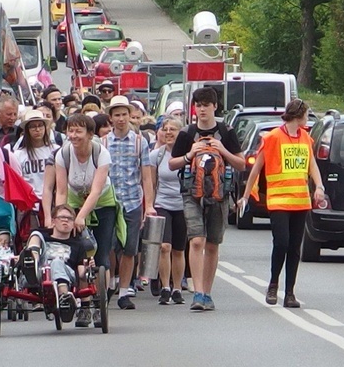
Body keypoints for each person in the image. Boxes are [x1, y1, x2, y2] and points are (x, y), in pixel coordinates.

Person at [239, 99, 325, 308]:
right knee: (282, 243)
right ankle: (273, 284)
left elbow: (311, 163)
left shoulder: (305, 137)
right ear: (298, 116)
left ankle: (289, 293)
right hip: (278, 200)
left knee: (295, 248)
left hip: (300, 201)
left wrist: (320, 187)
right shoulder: (273, 138)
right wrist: (246, 194)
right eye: (306, 115)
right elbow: (257, 167)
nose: (307, 119)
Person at [168, 87, 245, 311]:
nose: (202, 109)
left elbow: (241, 164)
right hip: (192, 192)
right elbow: (172, 164)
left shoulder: (226, 132)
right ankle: (198, 293)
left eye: (206, 105)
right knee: (196, 240)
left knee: (212, 244)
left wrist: (222, 150)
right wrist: (190, 154)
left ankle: (207, 293)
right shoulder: (187, 133)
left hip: (219, 193)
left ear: (215, 107)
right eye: (198, 105)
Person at [55, 114, 119, 328]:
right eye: (70, 131)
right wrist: (62, 216)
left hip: (102, 204)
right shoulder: (63, 153)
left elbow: (96, 190)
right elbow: (61, 190)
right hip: (74, 200)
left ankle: (101, 303)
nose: (73, 136)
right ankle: (84, 304)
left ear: (90, 135)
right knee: (78, 254)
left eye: (78, 131)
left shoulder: (101, 153)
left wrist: (82, 216)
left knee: (100, 255)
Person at [104, 95, 155, 310]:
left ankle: (124, 291)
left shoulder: (139, 141)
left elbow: (146, 176)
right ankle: (109, 284)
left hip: (132, 200)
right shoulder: (103, 142)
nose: (122, 119)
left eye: (124, 114)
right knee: (108, 247)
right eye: (117, 115)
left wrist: (149, 205)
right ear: (111, 118)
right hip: (108, 201)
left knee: (129, 249)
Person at [21, 205, 90, 323]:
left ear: (73, 224)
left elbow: (81, 274)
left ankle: (64, 297)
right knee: (36, 234)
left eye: (69, 218)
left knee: (57, 261)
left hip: (66, 273)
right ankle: (32, 263)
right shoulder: (44, 236)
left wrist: (87, 269)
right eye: (62, 217)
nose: (65, 220)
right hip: (40, 272)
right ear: (53, 221)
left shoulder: (78, 245)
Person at [148, 117, 186, 305]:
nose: (168, 133)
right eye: (165, 129)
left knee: (178, 250)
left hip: (183, 205)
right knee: (164, 247)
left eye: (173, 129)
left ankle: (177, 287)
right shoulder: (157, 155)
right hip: (162, 204)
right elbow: (152, 183)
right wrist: (150, 206)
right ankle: (165, 286)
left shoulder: (188, 154)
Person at [11, 110, 61, 225]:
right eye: (33, 127)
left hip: (53, 202)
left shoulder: (56, 150)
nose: (37, 130)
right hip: (29, 206)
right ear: (27, 131)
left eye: (40, 126)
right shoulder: (18, 154)